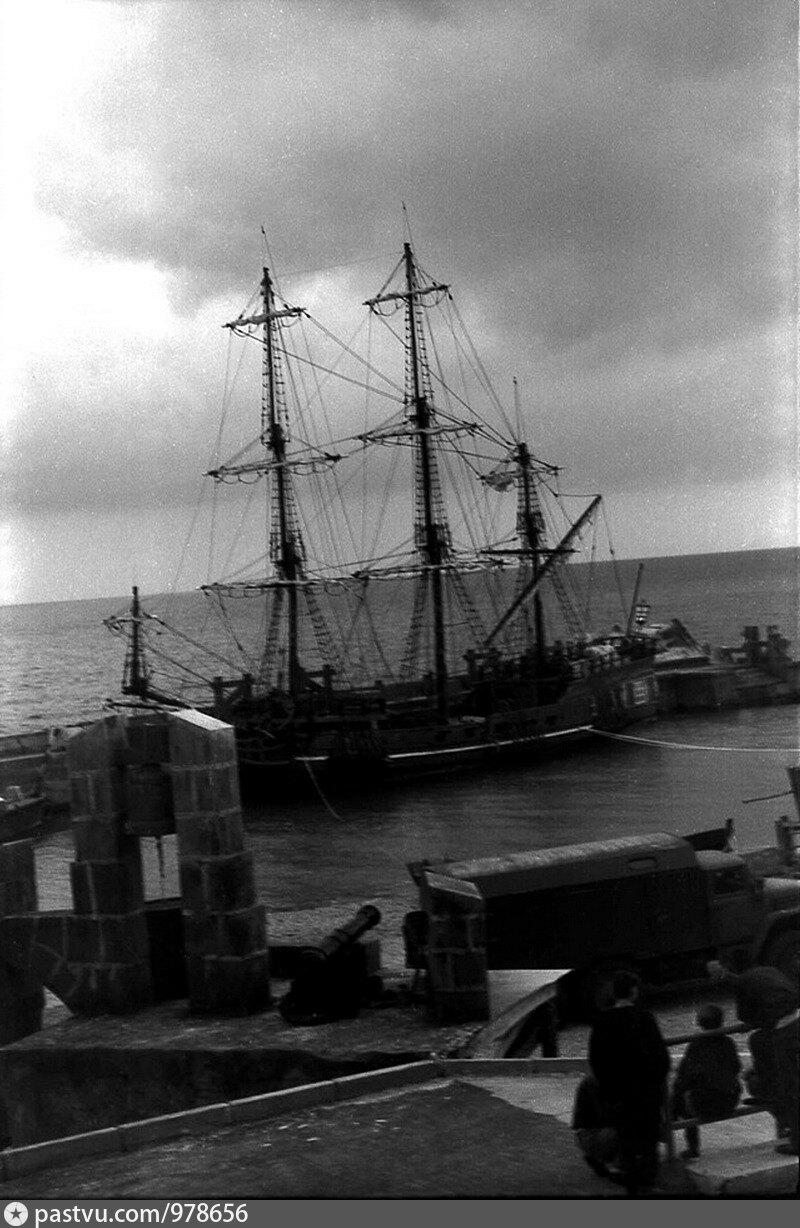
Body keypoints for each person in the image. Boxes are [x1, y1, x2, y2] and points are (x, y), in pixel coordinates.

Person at [588, 970, 671, 1195]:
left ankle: (632, 1184)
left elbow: (596, 1060)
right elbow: (661, 1057)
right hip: (646, 1091)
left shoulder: (601, 1022)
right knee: (649, 1139)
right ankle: (648, 1181)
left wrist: (608, 1088)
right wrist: (655, 1082)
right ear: (634, 992)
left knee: (626, 1139)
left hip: (619, 1092)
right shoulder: (645, 1018)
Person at [708, 961, 799, 1155]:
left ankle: (794, 1137)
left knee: (789, 1087)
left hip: (784, 1028)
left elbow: (746, 1017)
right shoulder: (770, 970)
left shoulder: (744, 984)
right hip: (794, 1018)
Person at [670, 1003, 741, 1159]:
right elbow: (736, 1067)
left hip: (706, 1105)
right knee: (685, 1092)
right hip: (730, 1101)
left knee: (680, 1095)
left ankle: (692, 1146)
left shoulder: (696, 1045)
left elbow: (684, 1079)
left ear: (700, 1022)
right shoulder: (728, 1042)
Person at [571, 1074, 619, 1179]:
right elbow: (606, 1115)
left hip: (588, 1134)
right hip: (590, 1135)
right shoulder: (596, 1082)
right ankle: (613, 1163)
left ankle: (603, 1158)